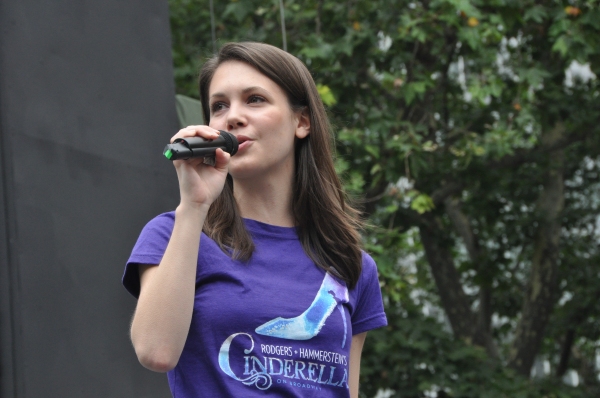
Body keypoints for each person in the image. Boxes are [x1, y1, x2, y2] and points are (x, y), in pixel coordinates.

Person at [122, 42, 387, 397]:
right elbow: (156, 352)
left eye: (255, 99)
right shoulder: (174, 232)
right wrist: (194, 206)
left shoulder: (350, 264)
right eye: (219, 106)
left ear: (302, 122)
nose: (232, 116)